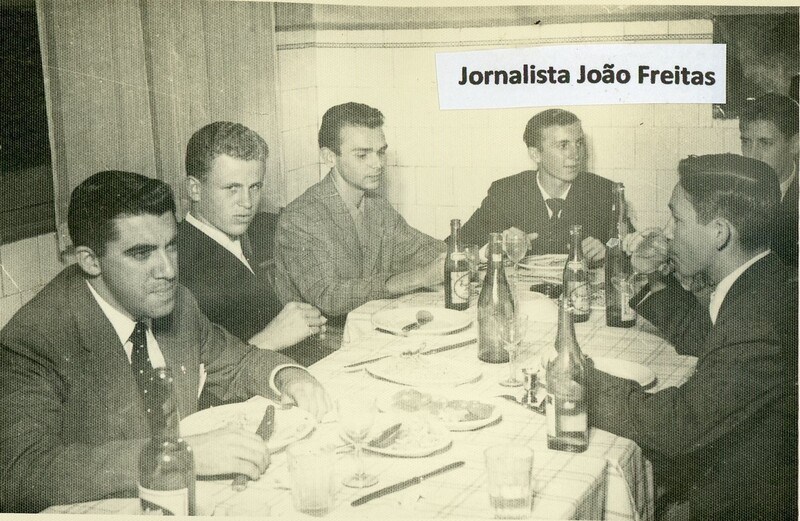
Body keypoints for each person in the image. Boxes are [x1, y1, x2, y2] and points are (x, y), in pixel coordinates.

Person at [0, 171, 332, 512]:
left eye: (171, 246)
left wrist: (288, 375)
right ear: (90, 260)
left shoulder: (178, 303)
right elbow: (21, 471)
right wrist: (180, 454)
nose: (168, 270)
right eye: (141, 253)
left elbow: (238, 361)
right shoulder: (35, 339)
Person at [591, 154, 797, 520]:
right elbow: (710, 341)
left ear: (719, 232)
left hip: (743, 505)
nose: (667, 232)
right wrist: (655, 278)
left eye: (678, 219)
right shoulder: (762, 279)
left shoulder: (757, 321)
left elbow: (677, 426)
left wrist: (583, 383)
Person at [274, 102, 446, 318]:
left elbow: (420, 250)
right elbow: (329, 296)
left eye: (381, 152)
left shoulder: (376, 205)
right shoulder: (300, 218)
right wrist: (418, 278)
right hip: (324, 335)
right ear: (329, 157)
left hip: (368, 323)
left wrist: (475, 255)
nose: (378, 164)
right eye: (362, 155)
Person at [178, 121, 328, 364]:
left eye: (255, 187)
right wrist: (272, 338)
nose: (247, 203)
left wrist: (301, 327)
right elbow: (193, 372)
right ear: (195, 189)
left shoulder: (249, 235)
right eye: (232, 188)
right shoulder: (178, 262)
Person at [457, 108, 622, 264]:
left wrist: (610, 251)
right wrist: (492, 248)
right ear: (535, 154)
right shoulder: (506, 192)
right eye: (563, 145)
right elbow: (455, 248)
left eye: (579, 143)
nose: (576, 154)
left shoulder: (604, 191)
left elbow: (629, 249)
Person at [739, 92, 799, 267]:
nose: (751, 156)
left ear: (795, 144)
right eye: (746, 142)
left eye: (765, 143)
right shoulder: (730, 191)